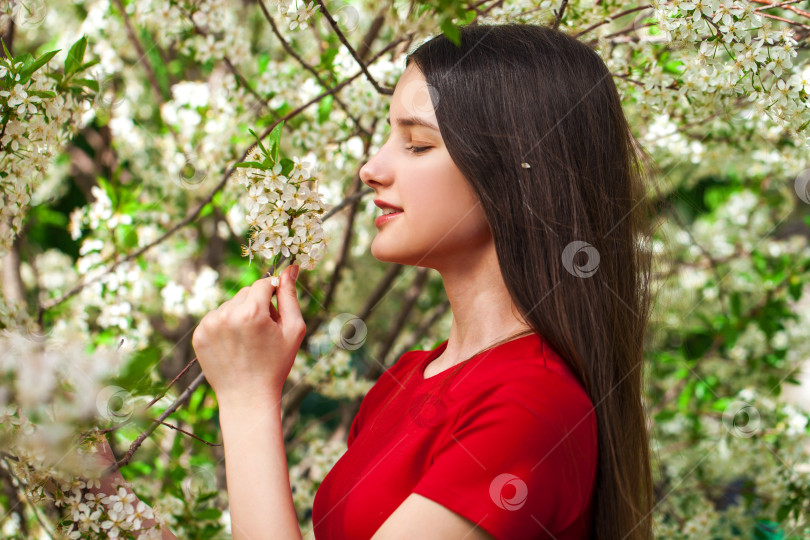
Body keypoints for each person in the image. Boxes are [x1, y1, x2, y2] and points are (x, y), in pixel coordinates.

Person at [105, 21, 656, 540]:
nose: (370, 168)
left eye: (417, 144)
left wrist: (248, 398)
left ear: (515, 169)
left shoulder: (529, 406)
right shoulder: (408, 379)